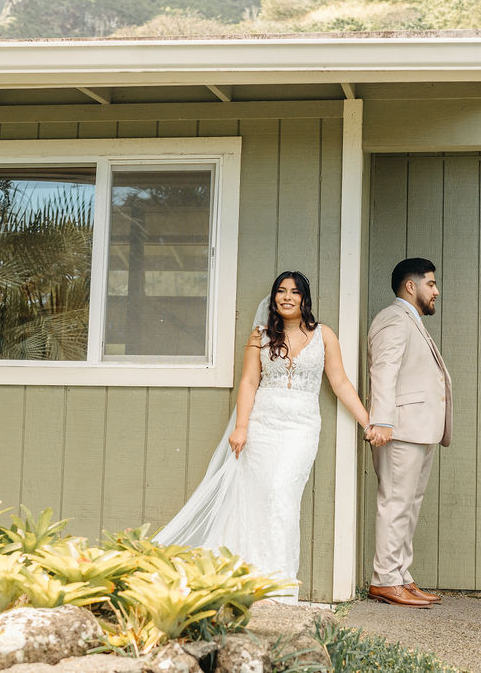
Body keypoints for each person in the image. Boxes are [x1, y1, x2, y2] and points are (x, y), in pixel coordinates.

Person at [154, 271, 370, 603]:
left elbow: (339, 383)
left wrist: (366, 422)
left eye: (294, 292)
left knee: (282, 493)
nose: (287, 297)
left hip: (300, 426)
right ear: (273, 297)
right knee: (253, 498)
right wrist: (241, 427)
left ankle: (278, 584)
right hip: (262, 425)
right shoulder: (261, 335)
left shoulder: (324, 335)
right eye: (281, 291)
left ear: (304, 299)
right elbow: (248, 383)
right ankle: (245, 577)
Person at [365, 258, 452, 609]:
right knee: (396, 503)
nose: (436, 290)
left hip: (419, 429)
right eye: (430, 283)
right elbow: (383, 369)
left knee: (410, 505)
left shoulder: (412, 321)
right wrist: (382, 420)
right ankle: (384, 580)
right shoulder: (393, 319)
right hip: (399, 428)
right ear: (411, 287)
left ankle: (401, 576)